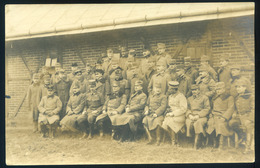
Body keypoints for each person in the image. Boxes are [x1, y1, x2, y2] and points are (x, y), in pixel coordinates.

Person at [229, 79, 254, 153]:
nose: (238, 89)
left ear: (245, 88)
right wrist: (234, 112)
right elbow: (236, 107)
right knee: (232, 123)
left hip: (248, 116)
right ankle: (242, 136)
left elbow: (254, 109)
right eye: (237, 87)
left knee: (248, 126)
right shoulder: (237, 97)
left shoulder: (250, 96)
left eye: (240, 87)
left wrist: (250, 119)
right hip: (240, 117)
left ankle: (248, 147)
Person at [207, 82, 234, 149]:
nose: (218, 91)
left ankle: (222, 144)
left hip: (223, 116)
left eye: (219, 89)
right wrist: (211, 114)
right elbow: (212, 108)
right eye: (217, 89)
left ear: (224, 89)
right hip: (215, 115)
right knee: (210, 123)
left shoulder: (229, 97)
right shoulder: (215, 97)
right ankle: (215, 142)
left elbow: (231, 108)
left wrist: (224, 117)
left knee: (220, 124)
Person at [162, 81, 187, 146]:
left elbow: (183, 109)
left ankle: (174, 141)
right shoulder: (170, 96)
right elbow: (169, 106)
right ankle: (174, 140)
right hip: (170, 115)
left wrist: (173, 113)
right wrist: (168, 110)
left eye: (170, 89)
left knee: (170, 121)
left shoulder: (181, 96)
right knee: (166, 122)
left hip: (180, 115)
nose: (168, 90)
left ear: (174, 89)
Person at [186, 84, 210, 149]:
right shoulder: (189, 99)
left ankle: (197, 143)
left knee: (198, 123)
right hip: (192, 115)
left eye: (195, 90)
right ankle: (191, 141)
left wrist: (198, 115)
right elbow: (187, 108)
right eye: (192, 90)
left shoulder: (204, 98)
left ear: (199, 90)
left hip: (202, 116)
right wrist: (189, 115)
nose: (194, 92)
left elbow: (207, 109)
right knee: (189, 123)